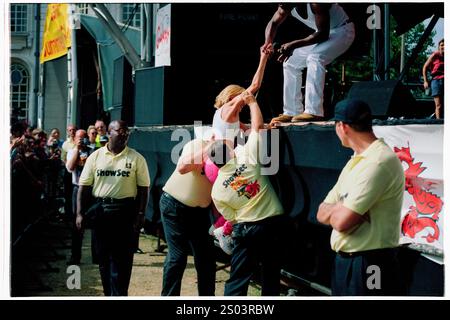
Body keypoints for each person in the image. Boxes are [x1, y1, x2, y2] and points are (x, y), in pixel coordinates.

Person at [316, 98, 405, 296]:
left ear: (342, 127)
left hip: (371, 264)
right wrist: (340, 208)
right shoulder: (358, 160)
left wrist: (339, 209)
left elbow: (341, 222)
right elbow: (321, 212)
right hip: (348, 262)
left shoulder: (378, 162)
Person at [209, 91, 286, 296]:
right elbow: (257, 128)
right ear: (230, 152)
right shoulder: (247, 157)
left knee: (238, 278)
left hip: (246, 229)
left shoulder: (216, 190)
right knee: (271, 276)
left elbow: (231, 217)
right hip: (271, 224)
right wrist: (252, 102)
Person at [76, 120, 150, 296]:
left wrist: (140, 214)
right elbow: (84, 187)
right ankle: (110, 294)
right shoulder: (95, 157)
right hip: (102, 211)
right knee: (103, 259)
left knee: (122, 260)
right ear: (109, 133)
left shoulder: (136, 158)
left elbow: (143, 189)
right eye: (120, 131)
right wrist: (79, 213)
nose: (124, 134)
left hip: (126, 212)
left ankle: (119, 295)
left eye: (126, 131)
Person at [263, 3, 355, 124]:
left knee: (315, 57)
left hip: (342, 31)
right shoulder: (285, 5)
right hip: (323, 33)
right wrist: (267, 43)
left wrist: (293, 45)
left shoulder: (316, 4)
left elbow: (323, 34)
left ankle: (314, 111)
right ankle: (292, 111)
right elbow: (273, 23)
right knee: (290, 62)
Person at [159, 136, 217, 296]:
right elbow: (183, 167)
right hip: (174, 206)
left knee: (206, 260)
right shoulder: (197, 144)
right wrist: (210, 147)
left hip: (200, 212)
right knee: (177, 258)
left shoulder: (232, 153)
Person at [212, 46, 272, 140]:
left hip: (220, 151)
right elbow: (255, 85)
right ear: (231, 97)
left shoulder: (220, 114)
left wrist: (268, 126)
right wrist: (263, 58)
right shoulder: (229, 108)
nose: (245, 101)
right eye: (242, 96)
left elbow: (249, 130)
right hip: (224, 152)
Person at [66, 129, 94, 265]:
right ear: (74, 138)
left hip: (91, 189)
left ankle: (97, 256)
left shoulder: (93, 152)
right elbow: (70, 167)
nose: (81, 140)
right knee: (76, 224)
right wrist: (77, 149)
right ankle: (75, 256)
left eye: (84, 137)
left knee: (95, 222)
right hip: (77, 188)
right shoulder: (72, 151)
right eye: (79, 137)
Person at [423, 39, 444, 119]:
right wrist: (425, 81)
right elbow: (425, 67)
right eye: (442, 45)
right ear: (439, 47)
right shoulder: (435, 55)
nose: (443, 46)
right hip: (436, 81)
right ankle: (438, 123)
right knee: (438, 105)